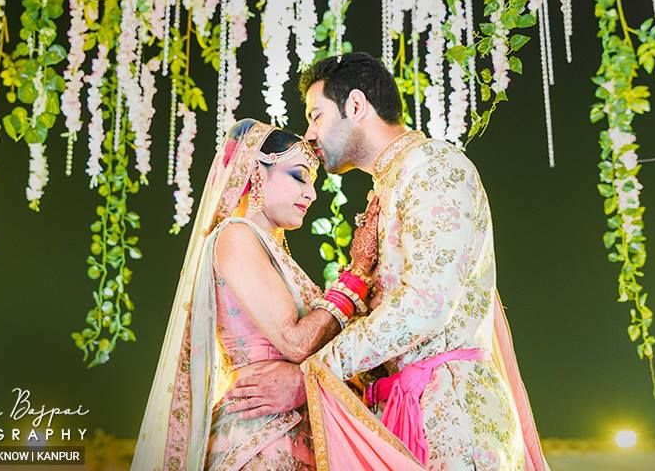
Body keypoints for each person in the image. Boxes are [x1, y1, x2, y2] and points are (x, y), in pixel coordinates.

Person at [227, 53, 550, 470]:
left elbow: (426, 306)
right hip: (399, 414)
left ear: (356, 106)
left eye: (316, 116)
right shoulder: (391, 182)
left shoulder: (434, 167)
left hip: (450, 419)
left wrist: (312, 376)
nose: (309, 134)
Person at [129, 118, 381, 470]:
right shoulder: (235, 236)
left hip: (295, 428)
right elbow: (295, 342)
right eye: (298, 176)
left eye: (313, 181)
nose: (311, 193)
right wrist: (355, 276)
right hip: (259, 439)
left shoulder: (273, 252)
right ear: (256, 172)